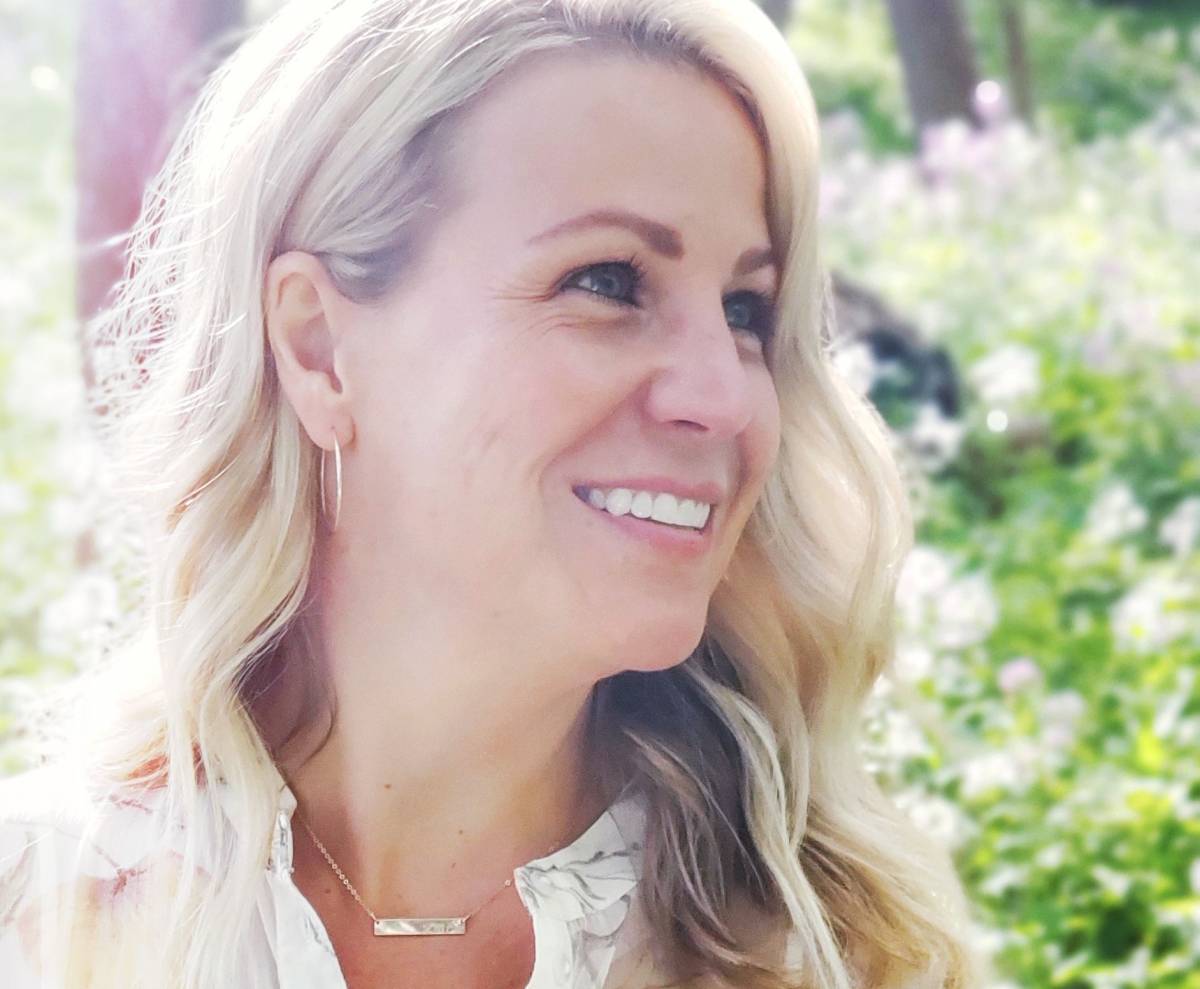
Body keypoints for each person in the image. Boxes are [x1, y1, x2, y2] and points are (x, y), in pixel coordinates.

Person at [0, 0, 989, 987]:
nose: (725, 395)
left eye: (745, 309)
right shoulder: (37, 915)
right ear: (319, 348)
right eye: (608, 281)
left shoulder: (841, 951)